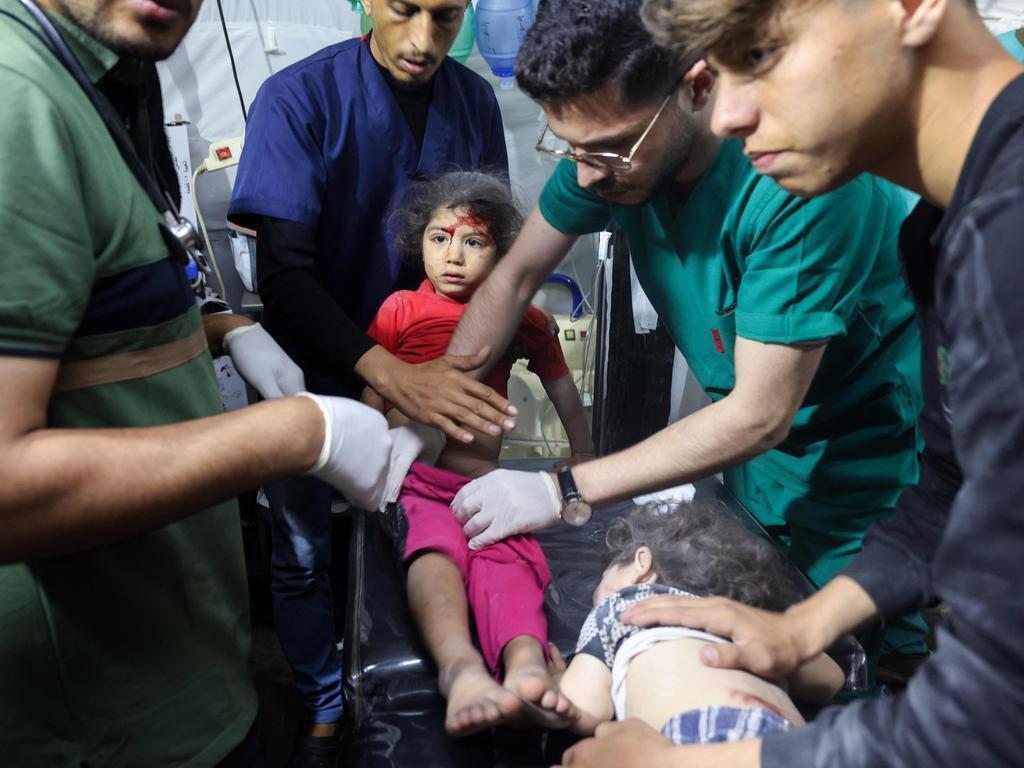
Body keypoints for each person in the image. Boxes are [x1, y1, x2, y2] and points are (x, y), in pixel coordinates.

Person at [554, 0, 1024, 766]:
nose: (728, 115)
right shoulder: (944, 231)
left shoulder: (1010, 238)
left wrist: (687, 762)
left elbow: (985, 720)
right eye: (718, 70)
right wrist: (798, 630)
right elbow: (945, 491)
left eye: (761, 54)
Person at [443, 0, 928, 680]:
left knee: (838, 662)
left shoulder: (798, 180)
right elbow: (518, 273)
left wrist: (564, 488)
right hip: (760, 460)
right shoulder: (611, 148)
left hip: (857, 457)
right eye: (568, 148)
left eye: (607, 149)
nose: (585, 176)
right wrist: (439, 395)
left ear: (698, 88)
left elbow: (760, 412)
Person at [0, 0, 393, 766]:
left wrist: (220, 327)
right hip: (102, 721)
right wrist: (301, 432)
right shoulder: (18, 102)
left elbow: (91, 317)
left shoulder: (109, 78)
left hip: (179, 666)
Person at [227, 2, 517, 761]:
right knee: (301, 548)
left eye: (447, 18)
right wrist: (387, 375)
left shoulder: (474, 101)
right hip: (319, 369)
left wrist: (453, 378)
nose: (423, 40)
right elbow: (285, 278)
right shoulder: (298, 98)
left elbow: (494, 254)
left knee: (426, 531)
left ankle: (409, 685)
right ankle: (325, 699)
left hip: (436, 373)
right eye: (404, 10)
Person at [364, 171, 592, 734]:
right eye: (439, 238)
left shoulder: (524, 317)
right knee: (435, 555)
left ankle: (525, 669)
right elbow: (372, 393)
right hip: (416, 480)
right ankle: (460, 667)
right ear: (419, 243)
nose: (453, 256)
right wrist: (369, 461)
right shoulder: (399, 309)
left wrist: (583, 456)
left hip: (487, 483)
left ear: (503, 254)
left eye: (474, 242)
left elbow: (561, 384)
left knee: (509, 561)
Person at [559, 503, 843, 741]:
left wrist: (557, 684)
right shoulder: (744, 627)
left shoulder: (622, 606)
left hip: (702, 737)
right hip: (799, 746)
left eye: (607, 573)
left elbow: (586, 709)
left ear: (640, 564)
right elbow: (831, 681)